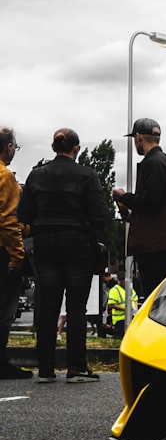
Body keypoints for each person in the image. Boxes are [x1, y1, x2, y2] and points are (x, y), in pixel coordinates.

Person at [17, 128, 110, 383]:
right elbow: (101, 215)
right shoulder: (87, 176)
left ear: (52, 147)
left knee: (47, 308)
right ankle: (76, 367)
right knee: (77, 308)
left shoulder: (37, 175)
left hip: (45, 244)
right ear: (76, 148)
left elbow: (23, 215)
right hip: (78, 244)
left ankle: (45, 368)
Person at [112, 118, 166, 299]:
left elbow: (150, 202)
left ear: (139, 137)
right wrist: (133, 216)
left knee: (156, 297)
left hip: (155, 246)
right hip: (162, 243)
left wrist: (123, 196)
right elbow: (158, 206)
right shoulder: (163, 161)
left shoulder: (154, 162)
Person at [0, 126, 32, 379]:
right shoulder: (6, 177)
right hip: (2, 251)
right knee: (4, 309)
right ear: (8, 147)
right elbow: (8, 222)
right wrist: (17, 257)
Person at [104, 272, 137, 338]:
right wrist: (126, 309)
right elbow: (111, 304)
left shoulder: (130, 289)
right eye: (120, 279)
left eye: (123, 279)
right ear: (118, 280)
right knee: (119, 338)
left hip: (131, 317)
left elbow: (135, 299)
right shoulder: (114, 290)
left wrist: (134, 309)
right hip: (119, 320)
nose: (122, 281)